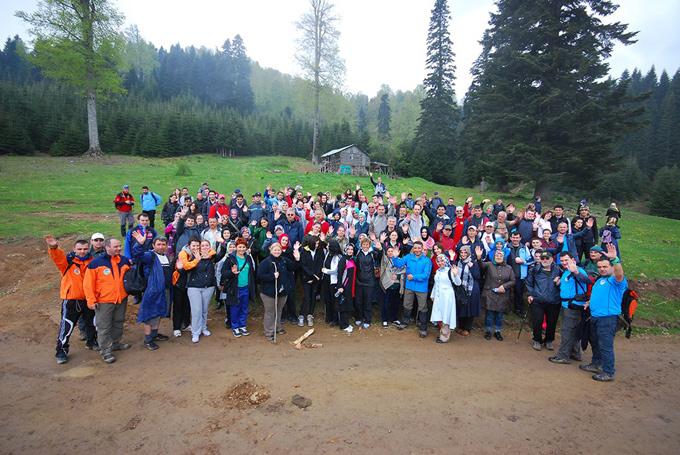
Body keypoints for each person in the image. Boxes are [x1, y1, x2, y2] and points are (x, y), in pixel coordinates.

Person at [579, 244, 627, 382]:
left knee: (605, 346)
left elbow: (619, 274)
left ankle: (608, 371)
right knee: (595, 342)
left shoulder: (615, 280)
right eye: (600, 267)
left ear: (611, 267)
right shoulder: (601, 280)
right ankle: (596, 363)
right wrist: (590, 303)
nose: (602, 269)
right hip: (595, 316)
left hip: (608, 318)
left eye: (605, 266)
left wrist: (615, 260)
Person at [46, 235, 97, 364]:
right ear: (74, 249)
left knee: (91, 323)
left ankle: (92, 342)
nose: (82, 251)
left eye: (85, 249)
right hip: (71, 300)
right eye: (79, 249)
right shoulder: (67, 262)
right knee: (67, 326)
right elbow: (57, 258)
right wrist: (54, 247)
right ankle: (61, 351)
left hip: (88, 299)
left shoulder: (92, 262)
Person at [83, 238, 132, 364]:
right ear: (107, 247)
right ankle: (105, 350)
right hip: (104, 300)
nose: (119, 248)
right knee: (104, 326)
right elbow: (88, 284)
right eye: (115, 246)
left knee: (118, 321)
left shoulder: (124, 261)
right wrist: (91, 300)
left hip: (121, 298)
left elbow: (130, 278)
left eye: (120, 246)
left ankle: (115, 343)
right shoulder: (96, 263)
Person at [130, 233, 172, 350]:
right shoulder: (150, 256)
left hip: (164, 291)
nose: (161, 246)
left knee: (158, 314)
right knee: (149, 315)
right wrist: (139, 243)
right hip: (153, 291)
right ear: (153, 245)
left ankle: (154, 334)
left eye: (163, 244)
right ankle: (148, 340)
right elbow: (138, 255)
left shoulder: (166, 256)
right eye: (158, 244)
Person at [549, 252, 591, 364]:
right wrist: (558, 283)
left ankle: (563, 356)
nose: (563, 263)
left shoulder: (578, 270)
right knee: (573, 330)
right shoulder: (566, 272)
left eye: (566, 260)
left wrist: (576, 271)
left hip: (573, 305)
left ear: (572, 259)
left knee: (567, 331)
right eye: (561, 260)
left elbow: (587, 280)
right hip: (566, 305)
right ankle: (575, 353)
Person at [180, 239, 224, 343]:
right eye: (202, 245)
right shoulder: (192, 256)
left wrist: (223, 243)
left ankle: (203, 328)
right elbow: (186, 269)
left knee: (204, 310)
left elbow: (221, 254)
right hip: (194, 287)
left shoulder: (212, 257)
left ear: (210, 247)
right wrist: (197, 260)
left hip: (208, 287)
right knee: (196, 311)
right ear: (199, 247)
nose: (204, 247)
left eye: (206, 245)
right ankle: (195, 332)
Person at [258, 241, 299, 342]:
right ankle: (268, 332)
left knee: (279, 310)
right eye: (275, 250)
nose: (277, 251)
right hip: (269, 293)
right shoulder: (266, 262)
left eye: (278, 250)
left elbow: (293, 267)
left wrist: (297, 259)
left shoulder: (284, 260)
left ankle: (277, 327)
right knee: (270, 312)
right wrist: (272, 276)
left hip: (282, 291)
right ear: (270, 250)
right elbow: (259, 277)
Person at [390, 240, 432, 337]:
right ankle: (405, 322)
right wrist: (395, 257)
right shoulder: (408, 257)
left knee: (422, 307)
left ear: (422, 249)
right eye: (415, 248)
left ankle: (423, 328)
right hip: (409, 286)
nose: (417, 249)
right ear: (413, 248)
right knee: (407, 304)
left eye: (419, 248)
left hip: (421, 288)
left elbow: (426, 275)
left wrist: (414, 277)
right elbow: (398, 264)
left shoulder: (427, 260)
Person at [476, 247, 515, 341]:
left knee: (499, 315)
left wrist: (504, 287)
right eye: (496, 255)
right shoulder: (489, 265)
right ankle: (488, 331)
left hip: (502, 295)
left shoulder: (509, 268)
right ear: (494, 256)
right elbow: (480, 265)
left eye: (500, 255)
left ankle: (498, 332)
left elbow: (513, 281)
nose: (498, 256)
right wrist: (479, 257)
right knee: (489, 314)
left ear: (504, 257)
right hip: (490, 294)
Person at [220, 238, 257, 338]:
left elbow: (251, 273)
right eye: (239, 247)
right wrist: (232, 272)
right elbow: (223, 272)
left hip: (246, 287)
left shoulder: (248, 258)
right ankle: (235, 326)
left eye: (243, 247)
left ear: (246, 248)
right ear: (236, 247)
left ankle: (242, 325)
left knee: (244, 308)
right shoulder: (230, 258)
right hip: (234, 288)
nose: (241, 249)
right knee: (235, 307)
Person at [525, 251, 561, 351]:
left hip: (554, 300)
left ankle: (549, 340)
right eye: (543, 258)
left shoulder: (559, 270)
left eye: (547, 258)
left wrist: (560, 282)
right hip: (538, 300)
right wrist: (530, 294)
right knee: (537, 321)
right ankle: (537, 340)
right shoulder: (534, 270)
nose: (545, 260)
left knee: (552, 322)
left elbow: (565, 282)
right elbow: (529, 283)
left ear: (552, 259)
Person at [430, 254, 462, 343]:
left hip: (447, 297)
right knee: (440, 315)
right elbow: (436, 284)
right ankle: (442, 333)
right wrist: (433, 295)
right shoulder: (438, 271)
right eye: (438, 261)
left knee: (446, 315)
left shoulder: (450, 271)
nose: (440, 263)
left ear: (446, 261)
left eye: (442, 261)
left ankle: (444, 337)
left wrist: (456, 275)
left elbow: (458, 283)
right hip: (439, 296)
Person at [352, 235, 382, 328]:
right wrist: (352, 237)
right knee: (358, 302)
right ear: (361, 245)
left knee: (368, 302)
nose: (365, 246)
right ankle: (358, 318)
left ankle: (367, 320)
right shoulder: (358, 253)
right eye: (363, 244)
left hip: (370, 282)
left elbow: (380, 256)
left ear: (369, 245)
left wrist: (380, 248)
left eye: (367, 244)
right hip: (359, 281)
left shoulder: (373, 253)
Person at [454, 245, 480, 336]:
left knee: (469, 309)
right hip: (461, 289)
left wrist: (472, 267)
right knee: (461, 307)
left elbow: (477, 276)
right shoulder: (459, 263)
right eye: (461, 252)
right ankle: (461, 326)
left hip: (471, 289)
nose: (463, 254)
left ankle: (467, 328)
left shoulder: (473, 262)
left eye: (465, 252)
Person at [299, 234, 324, 327]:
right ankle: (301, 315)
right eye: (316, 244)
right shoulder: (304, 250)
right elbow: (303, 265)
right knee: (306, 297)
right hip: (306, 278)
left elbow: (320, 264)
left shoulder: (320, 251)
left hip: (316, 279)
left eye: (318, 243)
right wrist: (311, 276)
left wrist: (315, 277)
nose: (317, 245)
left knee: (313, 297)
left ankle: (310, 315)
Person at [379, 245, 406, 329]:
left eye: (392, 251)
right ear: (386, 253)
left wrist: (397, 276)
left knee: (395, 303)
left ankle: (393, 318)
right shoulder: (385, 260)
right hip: (387, 285)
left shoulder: (399, 260)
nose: (391, 253)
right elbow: (381, 253)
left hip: (397, 285)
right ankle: (385, 319)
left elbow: (403, 271)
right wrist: (381, 245)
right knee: (385, 303)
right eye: (389, 251)